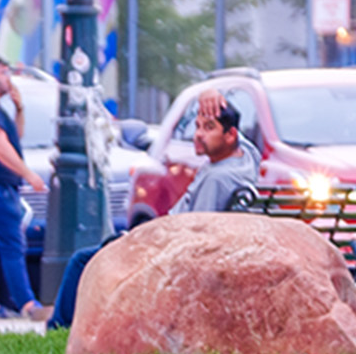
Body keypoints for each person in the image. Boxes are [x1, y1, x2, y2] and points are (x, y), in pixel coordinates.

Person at [45, 95, 260, 332]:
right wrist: (212, 93)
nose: (198, 135)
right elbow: (244, 141)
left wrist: (144, 239)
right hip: (163, 239)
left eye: (209, 128)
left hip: (166, 250)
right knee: (108, 244)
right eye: (197, 126)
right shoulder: (245, 160)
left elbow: (196, 232)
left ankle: (58, 329)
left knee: (82, 261)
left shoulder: (216, 178)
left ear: (229, 136)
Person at [0, 58, 47, 322]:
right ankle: (27, 304)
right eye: (4, 73)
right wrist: (28, 174)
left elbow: (14, 138)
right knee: (12, 245)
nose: (9, 78)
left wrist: (19, 109)